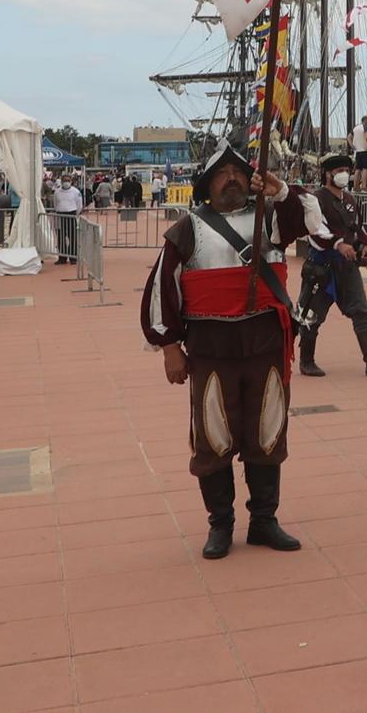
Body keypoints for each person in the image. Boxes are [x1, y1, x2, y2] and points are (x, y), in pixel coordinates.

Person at [138, 144, 313, 559]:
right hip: (211, 347)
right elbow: (164, 288)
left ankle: (264, 521)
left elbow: (312, 223)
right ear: (208, 183)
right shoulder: (189, 227)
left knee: (267, 431)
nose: (232, 178)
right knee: (213, 435)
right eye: (223, 174)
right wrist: (168, 346)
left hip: (265, 343)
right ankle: (220, 524)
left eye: (239, 172)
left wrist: (280, 191)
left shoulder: (271, 218)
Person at [295, 154, 367, 379]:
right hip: (322, 268)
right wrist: (338, 244)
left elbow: (356, 228)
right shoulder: (317, 200)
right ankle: (307, 361)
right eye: (339, 169)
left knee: (361, 311)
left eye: (346, 169)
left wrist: (364, 246)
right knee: (312, 315)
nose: (344, 174)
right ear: (328, 174)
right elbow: (315, 231)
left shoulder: (350, 200)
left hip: (347, 268)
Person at [49, 174, 85, 264]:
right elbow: (55, 204)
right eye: (64, 180)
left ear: (71, 181)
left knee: (72, 237)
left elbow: (79, 205)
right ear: (61, 181)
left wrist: (75, 214)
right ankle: (62, 258)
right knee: (61, 237)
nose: (66, 182)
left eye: (68, 180)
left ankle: (73, 258)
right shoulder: (57, 192)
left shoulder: (76, 192)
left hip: (71, 214)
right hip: (60, 215)